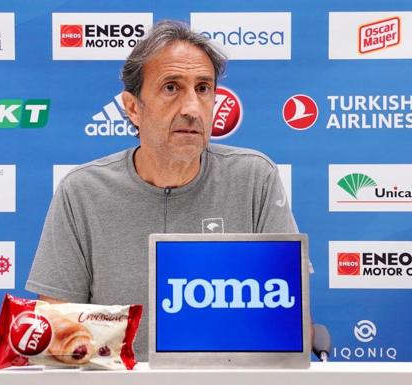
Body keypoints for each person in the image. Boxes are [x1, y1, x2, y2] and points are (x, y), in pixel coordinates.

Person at [26, 20, 298, 361]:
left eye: (203, 89)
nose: (192, 108)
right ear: (133, 108)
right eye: (171, 88)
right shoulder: (81, 191)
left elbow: (288, 321)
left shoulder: (255, 177)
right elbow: (57, 330)